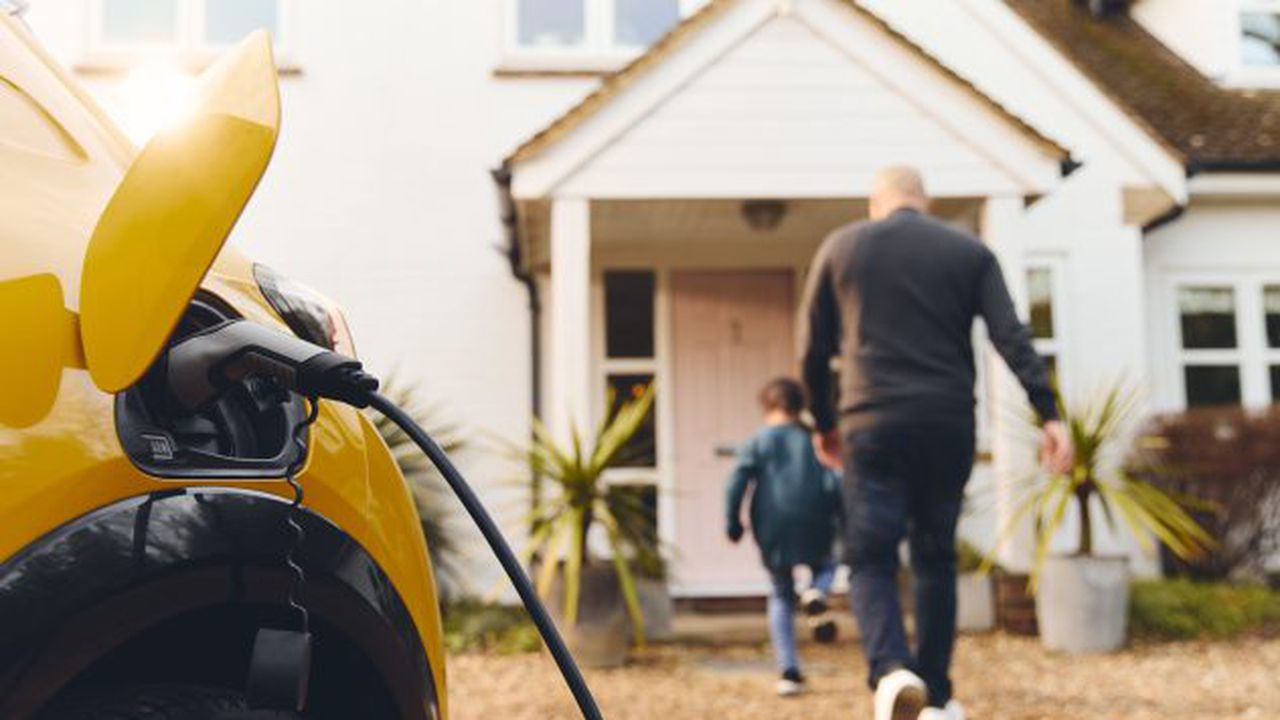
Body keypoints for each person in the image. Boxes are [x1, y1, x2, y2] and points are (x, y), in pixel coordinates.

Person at [799, 166, 1073, 720]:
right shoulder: (968, 252)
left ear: (876, 202)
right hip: (946, 423)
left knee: (871, 555)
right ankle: (937, 693)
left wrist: (823, 422)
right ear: (924, 200)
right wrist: (1049, 414)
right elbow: (1010, 335)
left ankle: (891, 672)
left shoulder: (842, 247)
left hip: (870, 422)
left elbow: (811, 348)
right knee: (934, 556)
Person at [725, 377, 843, 698]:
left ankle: (789, 671)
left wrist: (732, 522)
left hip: (772, 525)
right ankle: (816, 591)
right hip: (816, 519)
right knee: (828, 564)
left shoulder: (758, 442)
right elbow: (835, 479)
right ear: (799, 407)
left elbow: (736, 482)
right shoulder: (813, 440)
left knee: (780, 592)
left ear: (768, 407)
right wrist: (842, 517)